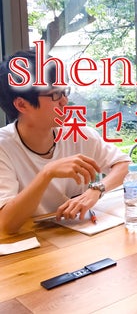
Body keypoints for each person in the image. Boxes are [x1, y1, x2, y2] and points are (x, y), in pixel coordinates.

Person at [0, 50, 130, 234]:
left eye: (65, 92)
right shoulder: (4, 147)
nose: (65, 101)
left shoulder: (78, 134)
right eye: (55, 94)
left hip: (79, 237)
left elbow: (124, 165)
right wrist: (47, 173)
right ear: (22, 104)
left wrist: (96, 190)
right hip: (32, 243)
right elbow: (6, 224)